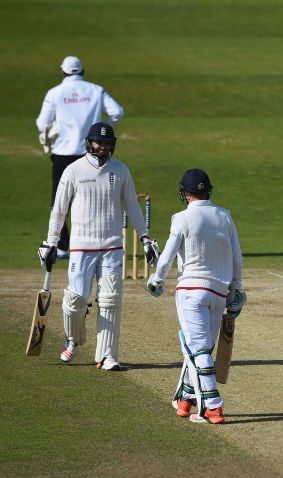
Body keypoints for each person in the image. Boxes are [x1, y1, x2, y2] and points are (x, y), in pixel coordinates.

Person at [38, 122, 159, 370]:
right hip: (82, 247)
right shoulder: (73, 171)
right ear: (89, 143)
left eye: (106, 143)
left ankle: (107, 356)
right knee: (75, 302)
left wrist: (145, 237)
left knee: (111, 300)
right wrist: (51, 242)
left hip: (112, 247)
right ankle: (73, 340)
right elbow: (59, 210)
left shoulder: (121, 170)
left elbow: (133, 207)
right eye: (98, 142)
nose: (102, 147)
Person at [146, 169, 245, 424]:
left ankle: (213, 406)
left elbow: (167, 255)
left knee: (197, 348)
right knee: (201, 347)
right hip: (219, 293)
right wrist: (236, 290)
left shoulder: (181, 218)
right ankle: (186, 399)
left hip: (190, 292)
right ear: (208, 190)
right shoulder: (225, 216)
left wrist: (157, 280)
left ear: (185, 193)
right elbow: (236, 256)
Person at [36, 56, 124, 259]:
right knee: (94, 196)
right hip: (91, 151)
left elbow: (42, 123)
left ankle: (61, 245)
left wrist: (54, 130)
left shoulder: (55, 93)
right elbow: (117, 112)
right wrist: (103, 132)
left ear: (63, 72)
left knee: (60, 201)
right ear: (82, 70)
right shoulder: (95, 89)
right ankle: (95, 241)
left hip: (63, 153)